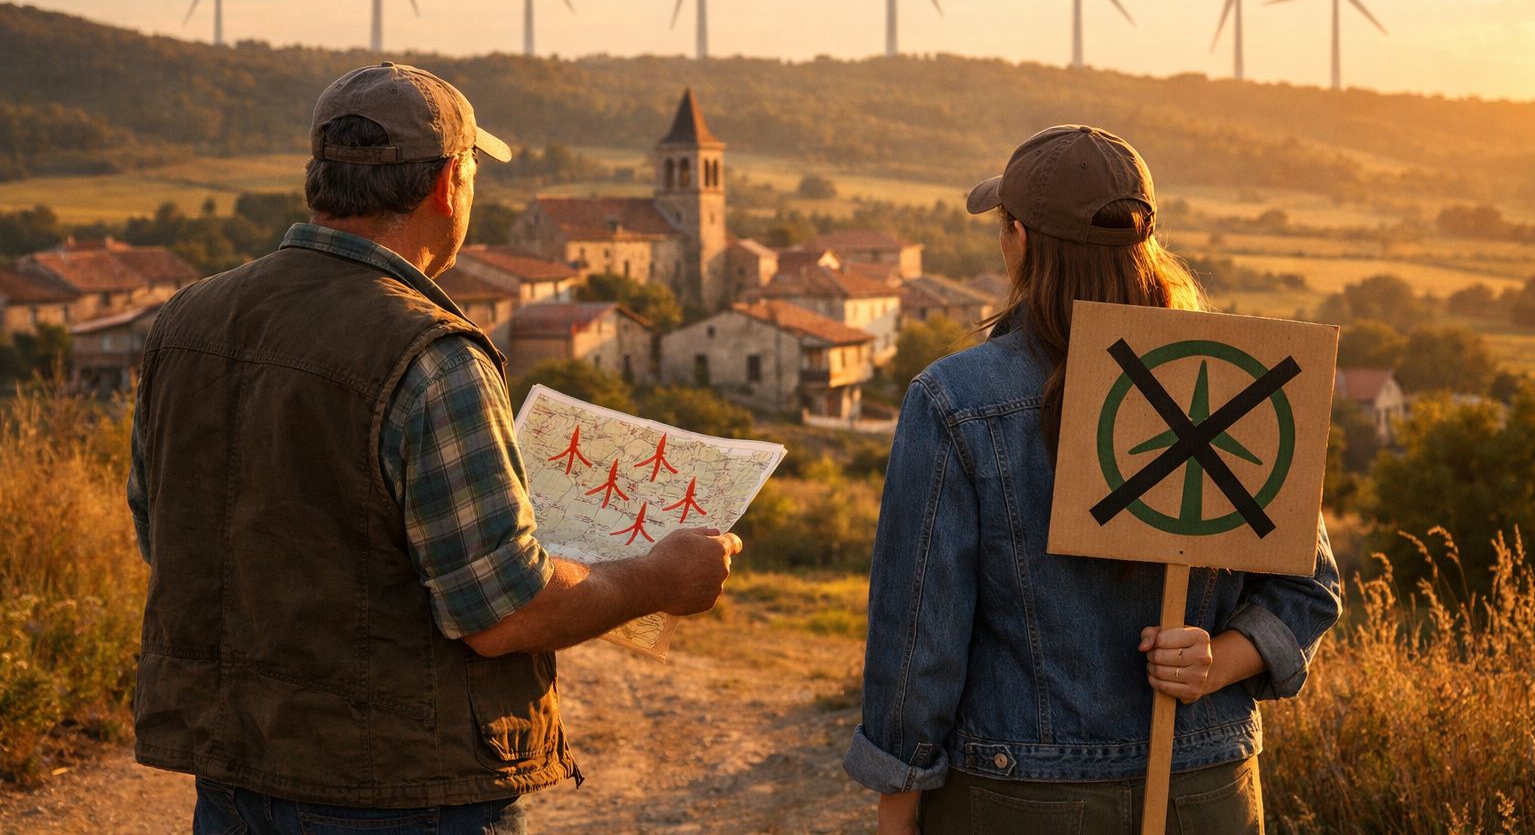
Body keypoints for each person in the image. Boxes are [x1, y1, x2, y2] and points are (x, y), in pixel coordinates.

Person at [127, 62, 742, 834]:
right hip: (401, 794)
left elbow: (167, 536)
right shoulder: (431, 355)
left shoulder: (185, 322)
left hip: (232, 775)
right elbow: (504, 614)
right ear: (450, 184)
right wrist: (659, 577)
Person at [844, 125, 1342, 834]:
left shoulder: (955, 399)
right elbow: (1310, 586)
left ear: (1017, 237)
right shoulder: (1238, 378)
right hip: (1207, 792)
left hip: (1019, 801)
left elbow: (917, 641)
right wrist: (1219, 661)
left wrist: (897, 808)